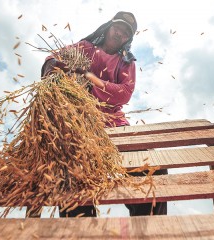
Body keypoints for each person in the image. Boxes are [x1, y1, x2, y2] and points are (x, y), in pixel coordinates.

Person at [41, 11, 167, 217]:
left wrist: (90, 80)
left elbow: (125, 93)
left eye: (126, 32)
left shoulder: (126, 62)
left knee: (150, 166)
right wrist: (52, 68)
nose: (120, 34)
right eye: (118, 27)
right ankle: (81, 228)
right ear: (109, 26)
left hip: (112, 123)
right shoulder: (84, 48)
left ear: (129, 38)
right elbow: (54, 57)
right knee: (72, 171)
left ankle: (148, 225)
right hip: (77, 121)